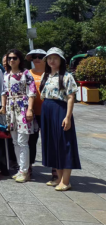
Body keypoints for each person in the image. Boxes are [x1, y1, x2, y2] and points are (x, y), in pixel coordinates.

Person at [39, 47, 81, 191]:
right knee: (52, 143)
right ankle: (59, 177)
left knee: (64, 143)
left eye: (55, 58)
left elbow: (70, 97)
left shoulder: (67, 76)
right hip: (47, 110)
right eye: (49, 58)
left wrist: (67, 117)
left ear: (61, 60)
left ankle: (66, 181)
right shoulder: (45, 75)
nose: (52, 61)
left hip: (60, 110)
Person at [0, 49, 37, 183]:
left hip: (23, 107)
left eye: (14, 58)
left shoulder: (26, 74)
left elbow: (32, 92)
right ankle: (20, 169)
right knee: (15, 141)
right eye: (9, 58)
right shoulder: (6, 75)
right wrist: (3, 107)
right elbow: (4, 93)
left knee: (22, 141)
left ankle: (25, 171)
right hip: (11, 108)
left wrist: (30, 109)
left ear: (19, 59)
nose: (12, 60)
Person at [26, 49, 47, 177]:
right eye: (34, 57)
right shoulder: (28, 74)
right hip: (32, 113)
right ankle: (28, 166)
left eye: (40, 57)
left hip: (47, 113)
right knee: (31, 140)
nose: (37, 59)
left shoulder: (50, 74)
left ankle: (54, 168)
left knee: (49, 141)